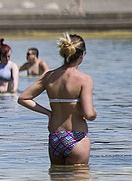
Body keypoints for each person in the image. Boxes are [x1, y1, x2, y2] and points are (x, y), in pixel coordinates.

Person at [17, 33, 97, 166]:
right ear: (82, 55)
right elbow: (89, 114)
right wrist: (94, 113)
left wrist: (49, 113)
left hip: (55, 137)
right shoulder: (84, 79)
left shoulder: (49, 76)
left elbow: (23, 98)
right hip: (77, 137)